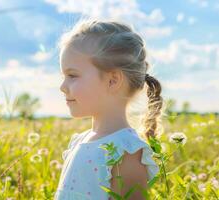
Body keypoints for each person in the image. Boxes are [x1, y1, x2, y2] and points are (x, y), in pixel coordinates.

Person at [55, 19, 163, 200]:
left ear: (112, 80)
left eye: (72, 75)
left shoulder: (127, 153)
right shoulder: (80, 141)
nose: (62, 86)